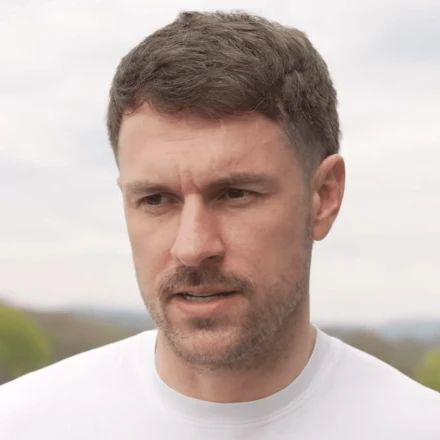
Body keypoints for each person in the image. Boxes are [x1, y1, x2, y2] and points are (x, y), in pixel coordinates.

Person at [1, 10, 439, 439]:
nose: (192, 247)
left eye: (234, 194)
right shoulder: (23, 423)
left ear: (324, 196)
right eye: (155, 199)